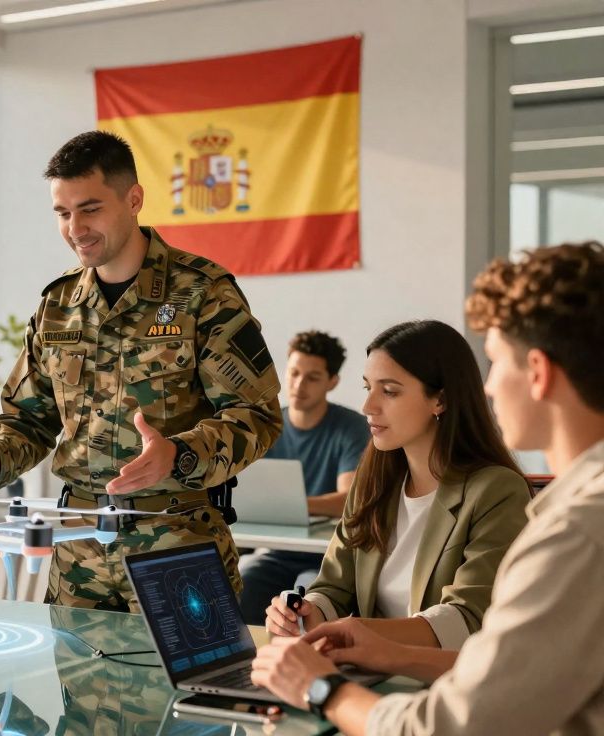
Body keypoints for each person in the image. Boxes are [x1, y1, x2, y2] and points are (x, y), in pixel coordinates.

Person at [251, 241, 604, 734]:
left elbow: (460, 717)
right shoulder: (377, 477)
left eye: (498, 362)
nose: (488, 385)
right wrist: (325, 619)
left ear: (539, 373)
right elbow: (493, 671)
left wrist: (324, 687)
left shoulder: (572, 528)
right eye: (368, 388)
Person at [0, 130, 283, 609]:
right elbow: (28, 419)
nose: (75, 228)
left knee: (188, 685)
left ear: (133, 199)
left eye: (90, 209)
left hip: (175, 543)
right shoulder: (58, 304)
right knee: (79, 682)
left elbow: (256, 415)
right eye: (63, 213)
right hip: (80, 553)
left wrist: (180, 452)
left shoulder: (202, 294)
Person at [263, 320, 528, 652]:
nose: (367, 407)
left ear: (440, 401)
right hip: (367, 671)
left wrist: (355, 632)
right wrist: (307, 611)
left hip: (443, 683)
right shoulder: (374, 483)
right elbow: (334, 586)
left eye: (389, 391)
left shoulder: (496, 491)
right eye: (367, 388)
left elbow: (468, 617)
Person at [239, 330, 370, 624]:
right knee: (242, 587)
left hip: (327, 558)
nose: (299, 385)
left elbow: (347, 501)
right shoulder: (268, 427)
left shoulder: (351, 429)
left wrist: (291, 504)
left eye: (312, 377)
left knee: (307, 601)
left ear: (332, 382)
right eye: (294, 373)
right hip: (278, 552)